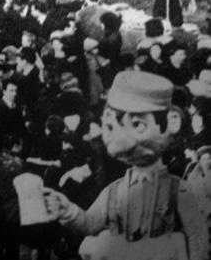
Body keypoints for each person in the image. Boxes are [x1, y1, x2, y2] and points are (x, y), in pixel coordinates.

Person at [44, 71, 208, 260]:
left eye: (137, 124)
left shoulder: (177, 190)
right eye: (112, 126)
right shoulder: (114, 191)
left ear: (171, 123)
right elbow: (90, 223)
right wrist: (68, 211)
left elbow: (197, 235)